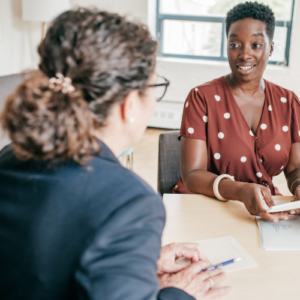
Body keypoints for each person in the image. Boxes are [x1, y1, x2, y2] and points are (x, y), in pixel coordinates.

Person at [0, 9, 231, 300]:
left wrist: (129, 262)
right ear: (129, 103)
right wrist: (177, 293)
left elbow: (38, 261)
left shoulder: (10, 157)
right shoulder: (129, 204)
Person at [174, 2, 300, 222]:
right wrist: (240, 191)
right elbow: (192, 175)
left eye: (256, 44)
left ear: (270, 47)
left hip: (265, 209)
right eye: (235, 45)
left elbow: (296, 167)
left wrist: (299, 185)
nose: (244, 54)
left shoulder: (289, 102)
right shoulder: (201, 97)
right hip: (206, 206)